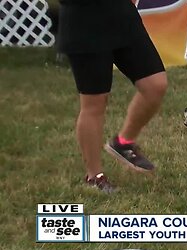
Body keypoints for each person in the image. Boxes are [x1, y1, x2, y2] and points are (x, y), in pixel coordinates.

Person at [57, 0, 168, 193]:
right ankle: (94, 176)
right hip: (84, 24)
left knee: (155, 85)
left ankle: (123, 142)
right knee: (94, 103)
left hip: (122, 17)